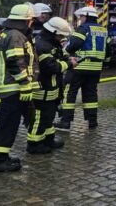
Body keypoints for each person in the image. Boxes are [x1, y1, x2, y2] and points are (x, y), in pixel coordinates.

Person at [0, 4, 36, 173]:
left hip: (12, 87)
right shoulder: (16, 36)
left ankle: (2, 157)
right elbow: (15, 62)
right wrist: (24, 84)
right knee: (7, 125)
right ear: (27, 20)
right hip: (13, 88)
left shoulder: (10, 33)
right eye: (31, 20)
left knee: (9, 125)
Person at [28, 17, 78, 154]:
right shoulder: (42, 45)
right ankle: (34, 144)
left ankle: (48, 139)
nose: (61, 38)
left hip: (51, 88)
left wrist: (67, 58)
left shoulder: (49, 42)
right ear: (53, 32)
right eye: (60, 35)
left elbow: (57, 57)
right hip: (42, 89)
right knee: (39, 118)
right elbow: (50, 67)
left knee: (48, 117)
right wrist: (69, 64)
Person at [55, 6, 108, 130]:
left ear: (86, 16)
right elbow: (109, 50)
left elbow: (73, 44)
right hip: (96, 68)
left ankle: (66, 121)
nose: (80, 19)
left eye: (81, 17)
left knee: (70, 92)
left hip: (79, 66)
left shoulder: (83, 29)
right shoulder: (103, 30)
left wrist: (64, 52)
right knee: (91, 94)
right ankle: (92, 121)